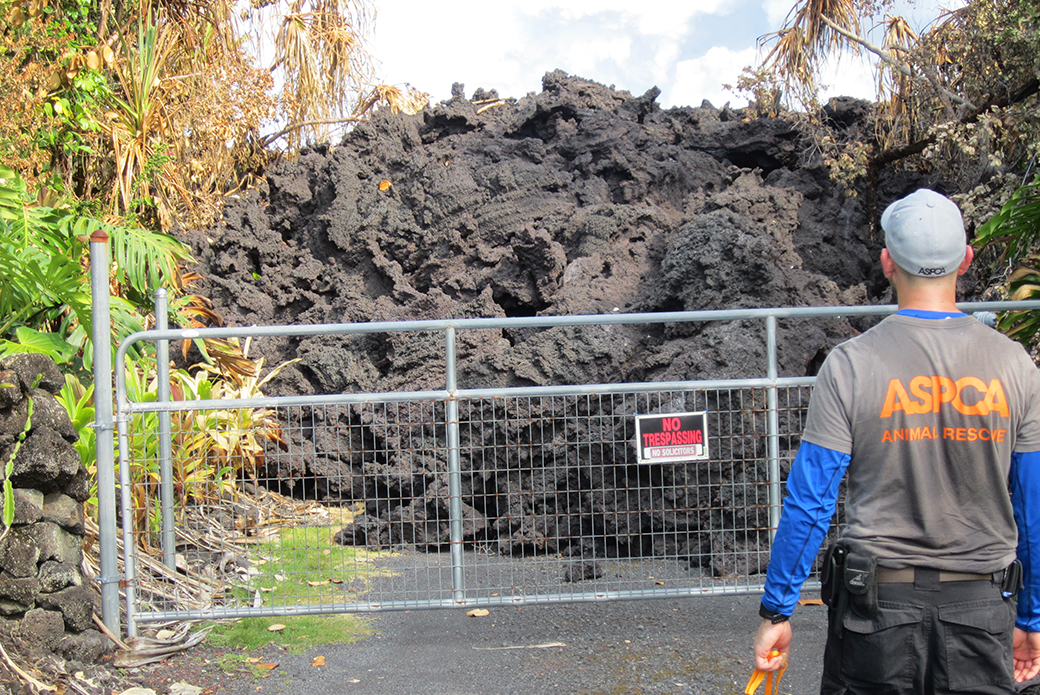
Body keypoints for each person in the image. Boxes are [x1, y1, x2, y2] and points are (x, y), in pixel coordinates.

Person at [751, 188, 1040, 693]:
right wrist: (1032, 618)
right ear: (967, 259)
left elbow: (810, 502)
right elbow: (1034, 507)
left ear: (887, 262)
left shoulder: (851, 364)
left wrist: (778, 608)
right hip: (982, 613)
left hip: (875, 618)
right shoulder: (1015, 365)